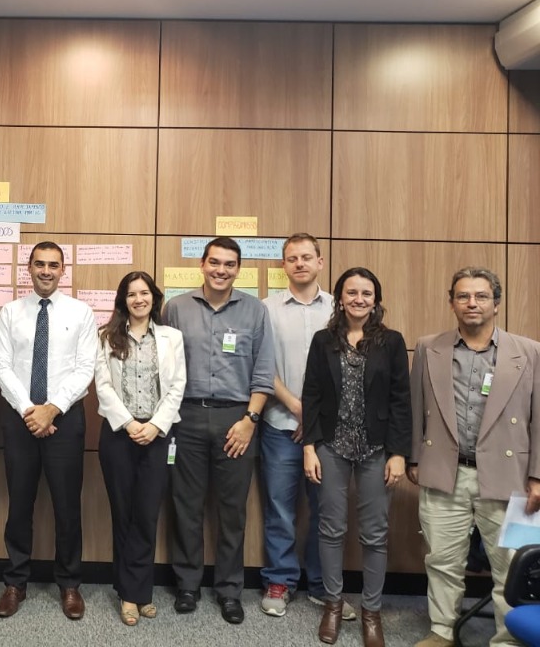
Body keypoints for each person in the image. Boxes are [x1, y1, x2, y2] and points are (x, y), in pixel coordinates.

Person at [409, 268, 540, 647]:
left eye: (481, 296)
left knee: (510, 564)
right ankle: (442, 631)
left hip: (510, 477)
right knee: (441, 560)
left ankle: (508, 638)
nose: (472, 303)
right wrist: (414, 458)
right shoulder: (429, 347)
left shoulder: (529, 352)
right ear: (451, 302)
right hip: (445, 471)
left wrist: (537, 475)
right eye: (463, 296)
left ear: (496, 304)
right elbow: (416, 408)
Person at [165, 236, 275, 624]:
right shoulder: (176, 308)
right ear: (202, 264)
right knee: (186, 504)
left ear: (238, 269)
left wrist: (250, 421)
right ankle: (187, 585)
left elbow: (264, 372)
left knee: (232, 510)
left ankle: (229, 590)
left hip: (236, 420)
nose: (221, 270)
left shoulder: (255, 311)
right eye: (215, 262)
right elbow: (163, 365)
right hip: (186, 417)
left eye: (229, 264)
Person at [303, 267, 411, 647]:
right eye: (352, 292)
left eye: (366, 293)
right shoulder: (323, 340)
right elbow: (311, 394)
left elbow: (401, 400)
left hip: (376, 448)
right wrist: (309, 447)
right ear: (340, 298)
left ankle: (371, 612)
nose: (359, 299)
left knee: (375, 533)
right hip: (331, 446)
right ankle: (333, 605)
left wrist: (399, 453)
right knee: (330, 529)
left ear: (376, 300)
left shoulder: (392, 342)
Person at [0, 241, 98, 620]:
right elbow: (2, 365)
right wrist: (30, 410)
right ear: (29, 268)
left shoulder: (81, 312)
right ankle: (15, 582)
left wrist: (52, 409)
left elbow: (86, 367)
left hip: (65, 419)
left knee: (67, 506)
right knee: (19, 503)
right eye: (40, 264)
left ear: (63, 269)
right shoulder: (10, 312)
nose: (46, 271)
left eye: (54, 265)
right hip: (20, 418)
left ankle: (69, 584)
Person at [260, 233, 354, 620]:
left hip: (329, 432)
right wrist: (296, 407)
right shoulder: (265, 309)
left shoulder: (340, 309)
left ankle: (322, 585)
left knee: (326, 511)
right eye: (292, 258)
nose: (299, 263)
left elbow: (351, 368)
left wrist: (314, 417)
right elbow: (262, 366)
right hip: (279, 424)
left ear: (320, 262)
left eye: (306, 257)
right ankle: (279, 581)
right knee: (279, 510)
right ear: (283, 265)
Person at [95, 271, 185, 626]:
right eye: (131, 294)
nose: (138, 299)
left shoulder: (171, 337)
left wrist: (155, 425)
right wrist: (130, 424)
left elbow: (177, 386)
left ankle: (137, 590)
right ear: (123, 300)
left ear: (154, 298)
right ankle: (130, 594)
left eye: (144, 293)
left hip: (157, 435)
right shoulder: (106, 336)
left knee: (147, 514)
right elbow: (102, 386)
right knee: (123, 513)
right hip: (119, 434)